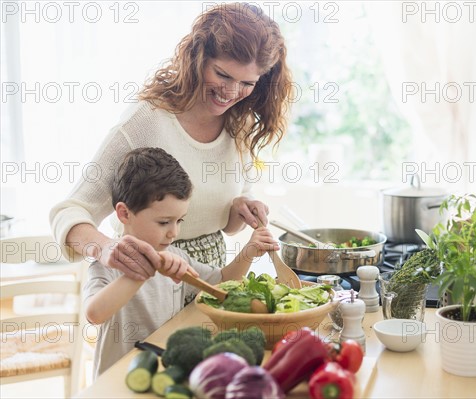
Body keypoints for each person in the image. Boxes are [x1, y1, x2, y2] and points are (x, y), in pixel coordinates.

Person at [49, 2, 293, 280]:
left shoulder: (240, 124)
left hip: (209, 281)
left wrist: (240, 206)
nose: (231, 92)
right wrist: (106, 248)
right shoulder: (147, 120)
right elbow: (69, 212)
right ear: (197, 59)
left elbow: (228, 227)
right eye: (223, 75)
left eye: (247, 83)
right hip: (145, 283)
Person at [84, 147, 278, 378]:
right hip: (117, 379)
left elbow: (222, 282)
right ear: (125, 214)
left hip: (163, 372)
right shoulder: (107, 264)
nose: (174, 232)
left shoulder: (177, 257)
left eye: (179, 221)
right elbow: (94, 314)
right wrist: (143, 271)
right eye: (164, 222)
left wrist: (249, 251)